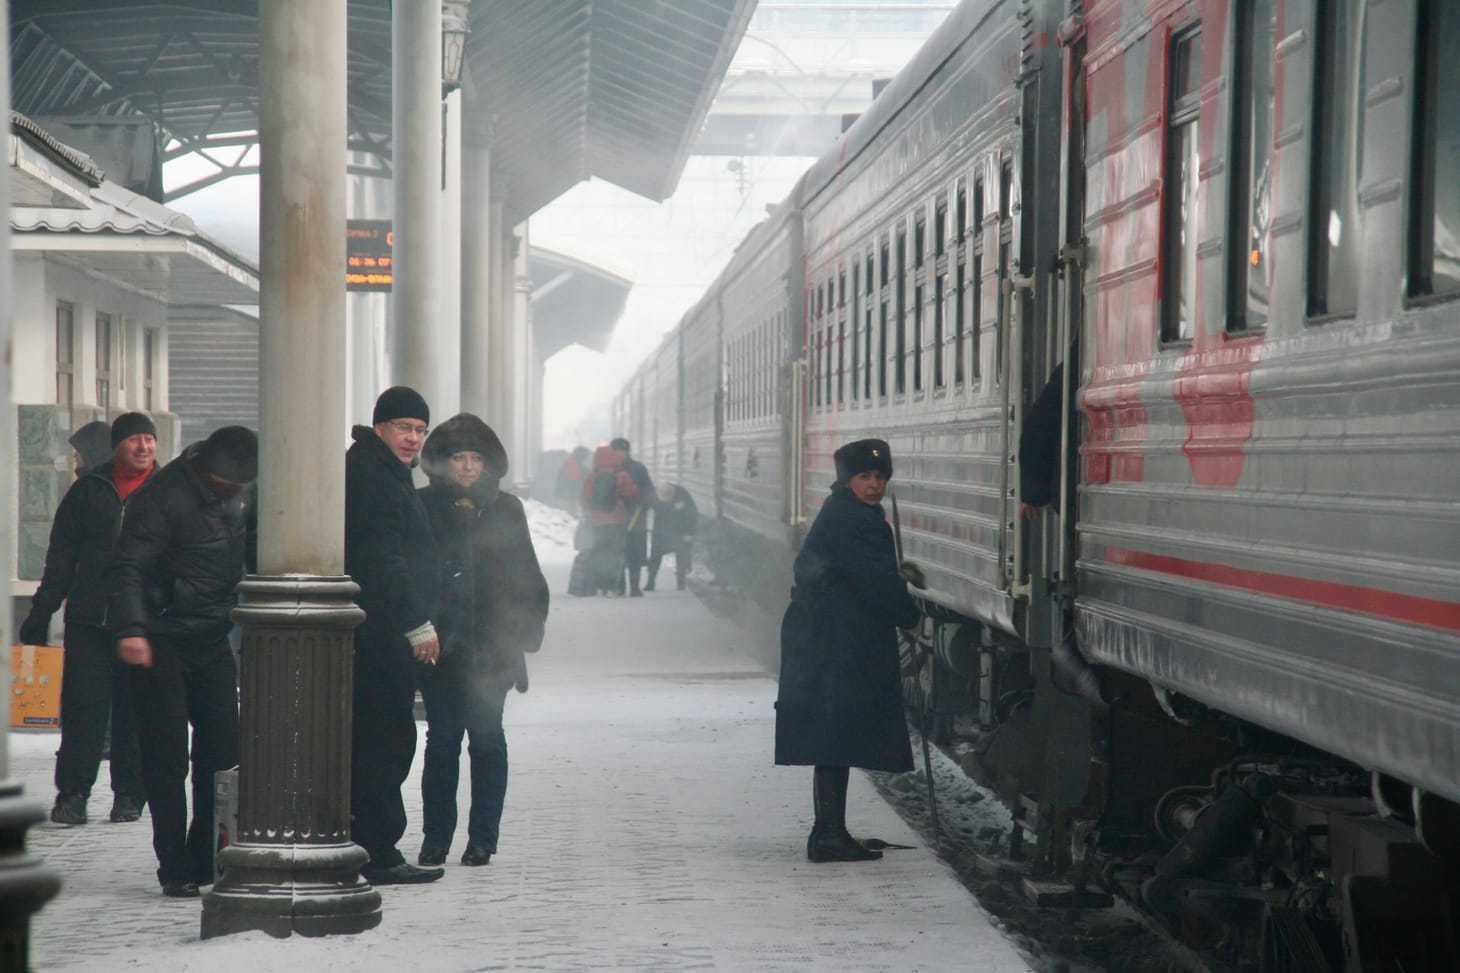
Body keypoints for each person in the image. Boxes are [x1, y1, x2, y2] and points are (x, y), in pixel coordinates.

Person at [107, 425, 258, 898]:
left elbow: (251, 546)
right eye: (231, 487)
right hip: (161, 638)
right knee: (167, 757)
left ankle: (203, 855)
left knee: (222, 753)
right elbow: (127, 566)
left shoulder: (240, 494)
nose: (237, 495)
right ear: (209, 473)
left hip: (212, 636)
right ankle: (174, 864)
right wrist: (133, 630)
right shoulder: (162, 498)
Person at [774, 438, 926, 863]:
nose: (875, 484)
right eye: (865, 477)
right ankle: (827, 835)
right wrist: (910, 618)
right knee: (835, 733)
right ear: (848, 479)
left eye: (880, 477)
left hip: (829, 633)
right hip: (834, 637)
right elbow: (876, 583)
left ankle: (828, 832)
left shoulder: (846, 512)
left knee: (833, 733)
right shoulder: (856, 520)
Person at [415, 414, 549, 868]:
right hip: (442, 649)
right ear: (442, 463)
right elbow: (415, 576)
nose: (468, 468)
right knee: (442, 742)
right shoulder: (424, 507)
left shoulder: (506, 509)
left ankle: (482, 840)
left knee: (488, 740)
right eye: (458, 458)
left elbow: (527, 572)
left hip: (494, 649)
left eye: (476, 459)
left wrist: (526, 630)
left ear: (488, 464)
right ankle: (436, 838)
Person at [20, 412, 156, 826]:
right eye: (134, 439)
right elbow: (61, 558)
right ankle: (73, 794)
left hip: (147, 625)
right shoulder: (88, 492)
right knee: (83, 711)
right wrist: (40, 611)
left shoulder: (166, 491)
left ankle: (130, 795)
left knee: (137, 713)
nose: (143, 447)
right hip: (90, 623)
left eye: (149, 439)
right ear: (117, 445)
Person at [344, 386, 444, 885]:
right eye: (404, 427)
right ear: (380, 426)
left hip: (381, 628)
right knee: (386, 739)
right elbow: (384, 558)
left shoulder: (385, 470)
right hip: (380, 631)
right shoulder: (372, 475)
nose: (413, 438)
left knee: (387, 738)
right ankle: (376, 850)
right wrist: (416, 621)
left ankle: (373, 843)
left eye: (421, 430)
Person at [580, 444, 640, 596]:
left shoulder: (592, 477)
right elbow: (632, 495)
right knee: (616, 553)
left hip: (597, 522)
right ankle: (616, 586)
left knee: (600, 552)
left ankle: (600, 586)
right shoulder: (622, 476)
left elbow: (584, 499)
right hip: (617, 520)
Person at [610, 437, 654, 596]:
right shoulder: (610, 470)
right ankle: (620, 586)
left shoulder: (638, 469)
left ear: (626, 452)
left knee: (634, 552)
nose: (618, 455)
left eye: (620, 452)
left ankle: (634, 586)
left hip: (635, 516)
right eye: (614, 452)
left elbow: (649, 490)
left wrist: (644, 505)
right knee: (618, 552)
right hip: (616, 518)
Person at [646, 482, 697, 592]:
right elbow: (643, 509)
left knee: (681, 556)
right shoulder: (652, 495)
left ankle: (680, 583)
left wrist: (689, 533)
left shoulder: (682, 494)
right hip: (659, 530)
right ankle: (650, 582)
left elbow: (692, 515)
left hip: (679, 531)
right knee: (654, 556)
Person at [554, 445, 589, 513]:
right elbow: (574, 480)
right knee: (568, 516)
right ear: (580, 456)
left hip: (567, 496)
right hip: (566, 497)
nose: (585, 459)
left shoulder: (572, 463)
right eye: (584, 457)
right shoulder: (571, 465)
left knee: (569, 516)